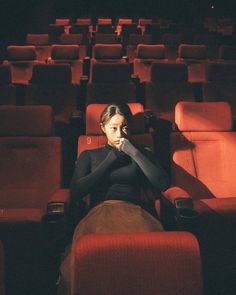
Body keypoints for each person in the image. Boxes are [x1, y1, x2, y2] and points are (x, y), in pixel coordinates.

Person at [57, 103, 170, 295]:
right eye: (114, 128)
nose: (120, 134)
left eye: (124, 127)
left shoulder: (140, 151)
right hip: (100, 213)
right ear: (102, 127)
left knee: (148, 258)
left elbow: (162, 183)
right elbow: (76, 192)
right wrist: (111, 159)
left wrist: (133, 152)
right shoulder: (89, 155)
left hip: (135, 212)